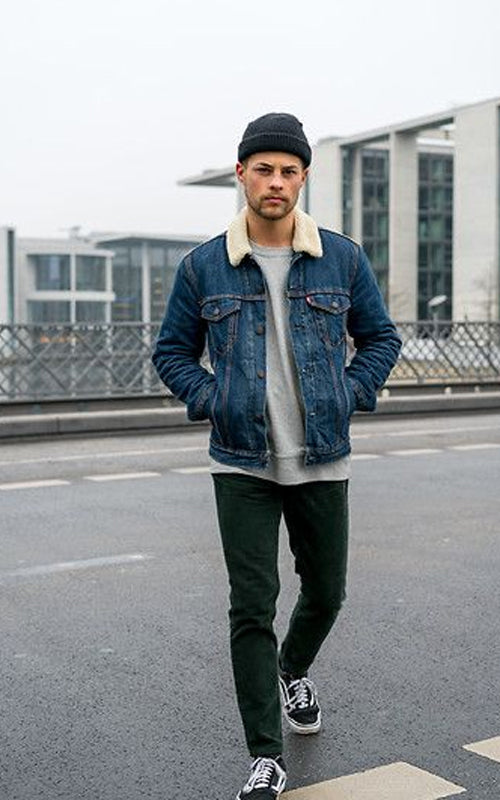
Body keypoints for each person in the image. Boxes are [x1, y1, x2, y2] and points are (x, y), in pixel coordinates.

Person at [152, 112, 402, 799]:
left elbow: (381, 338)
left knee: (326, 592)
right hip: (241, 462)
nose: (276, 182)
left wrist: (350, 392)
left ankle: (294, 669)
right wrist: (213, 398)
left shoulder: (341, 258)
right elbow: (172, 352)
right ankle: (265, 754)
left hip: (322, 454)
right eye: (263, 169)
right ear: (241, 174)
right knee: (251, 607)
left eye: (289, 171)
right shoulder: (203, 266)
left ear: (303, 179)